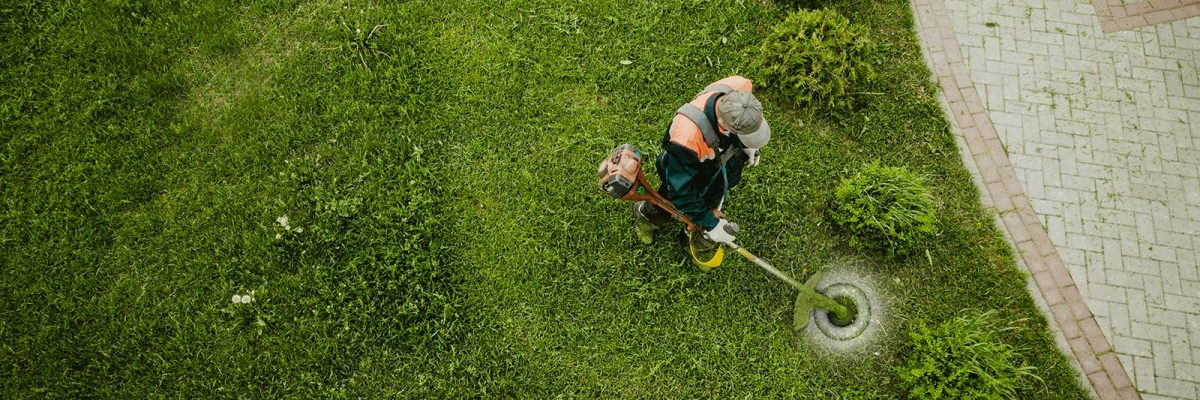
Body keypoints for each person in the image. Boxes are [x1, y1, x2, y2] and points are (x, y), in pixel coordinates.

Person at [634, 75, 770, 249]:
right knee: (670, 203)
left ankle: (692, 236)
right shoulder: (686, 139)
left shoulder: (740, 86)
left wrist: (746, 145)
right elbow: (681, 191)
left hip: (720, 165)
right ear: (723, 123)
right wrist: (711, 223)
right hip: (689, 171)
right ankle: (647, 217)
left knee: (710, 203)